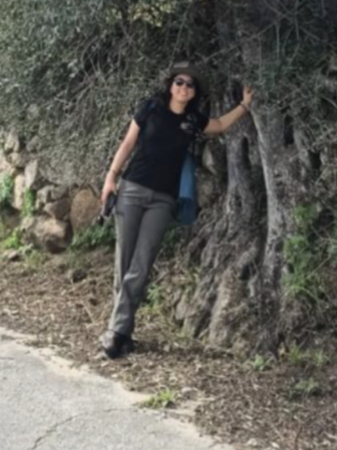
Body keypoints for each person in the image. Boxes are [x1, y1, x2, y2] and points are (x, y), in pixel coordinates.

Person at [98, 63, 254, 359]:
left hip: (163, 199)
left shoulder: (193, 120)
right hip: (131, 190)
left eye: (190, 84)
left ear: (194, 92)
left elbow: (219, 125)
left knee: (141, 265)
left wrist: (244, 105)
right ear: (170, 85)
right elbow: (128, 143)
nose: (184, 87)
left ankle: (114, 332)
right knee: (125, 261)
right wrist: (110, 178)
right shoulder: (151, 108)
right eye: (179, 82)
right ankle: (123, 332)